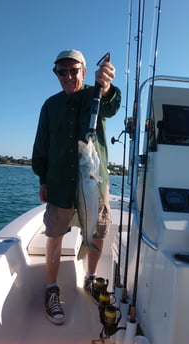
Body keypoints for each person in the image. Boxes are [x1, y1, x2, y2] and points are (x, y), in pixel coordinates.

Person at [32, 50, 121, 325]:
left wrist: (106, 87)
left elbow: (110, 106)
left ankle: (91, 279)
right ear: (57, 74)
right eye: (63, 71)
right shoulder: (50, 106)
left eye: (74, 70)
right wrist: (43, 180)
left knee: (96, 231)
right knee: (54, 236)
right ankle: (51, 289)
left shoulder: (95, 96)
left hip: (94, 183)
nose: (69, 76)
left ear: (83, 71)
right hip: (58, 183)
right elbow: (41, 146)